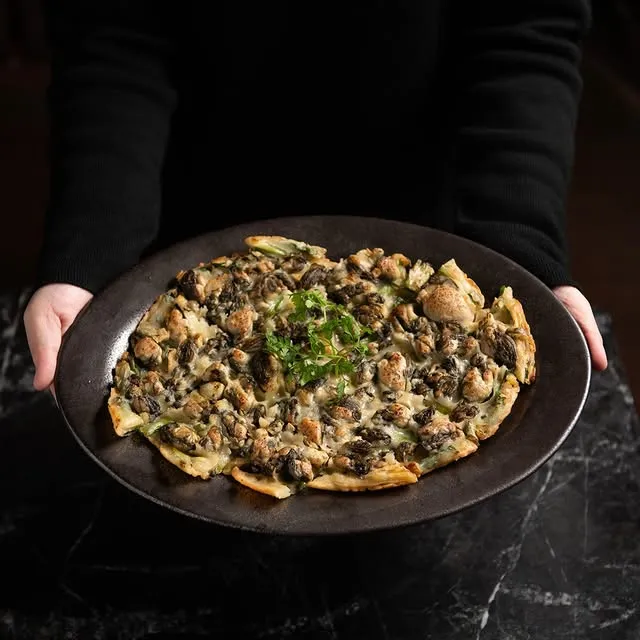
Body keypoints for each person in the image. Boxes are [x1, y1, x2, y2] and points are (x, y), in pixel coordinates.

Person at [24, 0, 607, 394]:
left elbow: (525, 31)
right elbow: (112, 34)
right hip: (195, 251)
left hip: (423, 242)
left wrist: (517, 252)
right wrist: (91, 254)